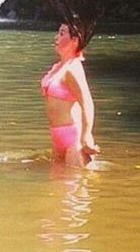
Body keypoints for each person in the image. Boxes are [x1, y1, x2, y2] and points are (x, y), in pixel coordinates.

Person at [41, 23, 100, 167]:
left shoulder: (73, 68)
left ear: (75, 41)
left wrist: (85, 136)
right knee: (56, 187)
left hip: (74, 139)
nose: (56, 37)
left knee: (74, 186)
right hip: (57, 137)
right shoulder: (58, 67)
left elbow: (87, 103)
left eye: (62, 34)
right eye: (58, 33)